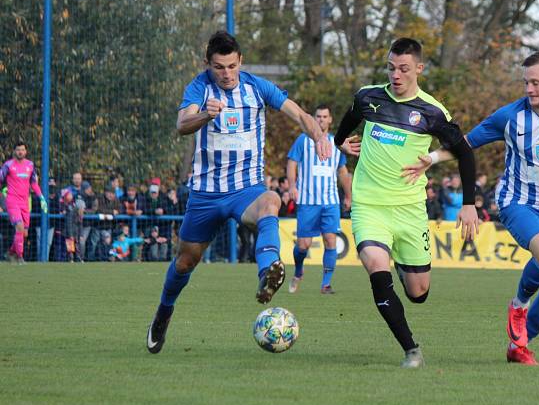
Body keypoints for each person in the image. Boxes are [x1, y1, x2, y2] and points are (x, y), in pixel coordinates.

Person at [405, 50, 539, 366]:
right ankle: (519, 304)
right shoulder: (510, 116)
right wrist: (433, 159)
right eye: (526, 83)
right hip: (516, 201)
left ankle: (518, 346)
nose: (529, 89)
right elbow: (467, 143)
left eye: (536, 83)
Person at [146, 30, 331, 354]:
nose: (227, 74)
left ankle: (268, 271)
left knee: (271, 201)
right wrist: (206, 114)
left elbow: (299, 114)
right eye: (219, 67)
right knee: (186, 262)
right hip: (206, 193)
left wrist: (318, 136)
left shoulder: (256, 87)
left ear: (240, 61)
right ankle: (164, 311)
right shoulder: (199, 87)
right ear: (208, 64)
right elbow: (181, 125)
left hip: (246, 189)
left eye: (232, 66)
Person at [334, 37, 479, 368]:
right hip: (369, 204)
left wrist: (469, 203)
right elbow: (343, 127)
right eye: (390, 67)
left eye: (403, 69)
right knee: (374, 266)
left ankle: (402, 263)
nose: (395, 75)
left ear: (418, 69)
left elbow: (464, 152)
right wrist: (341, 143)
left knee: (418, 292)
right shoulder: (368, 98)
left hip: (410, 210)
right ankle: (411, 349)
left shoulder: (432, 111)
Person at [286, 103, 352, 295]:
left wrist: (348, 195)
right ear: (314, 119)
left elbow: (342, 171)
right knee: (302, 245)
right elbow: (292, 163)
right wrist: (292, 186)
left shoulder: (336, 143)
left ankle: (326, 284)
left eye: (325, 116)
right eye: (318, 116)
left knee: (330, 241)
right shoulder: (303, 140)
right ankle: (298, 271)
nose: (321, 119)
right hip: (307, 200)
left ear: (330, 120)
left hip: (330, 201)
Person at [0, 142, 47, 263]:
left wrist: (41, 197)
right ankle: (20, 257)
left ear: (25, 152)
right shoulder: (8, 165)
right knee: (19, 228)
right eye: (18, 150)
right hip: (12, 201)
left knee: (24, 233)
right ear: (14, 151)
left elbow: (34, 183)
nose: (20, 152)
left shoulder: (30, 165)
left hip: (25, 202)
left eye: (22, 150)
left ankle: (10, 253)